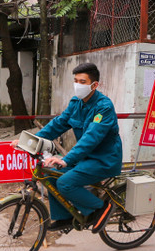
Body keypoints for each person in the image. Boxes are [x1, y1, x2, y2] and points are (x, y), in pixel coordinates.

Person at [17, 62, 123, 233]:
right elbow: (58, 124)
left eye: (82, 82)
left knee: (65, 182)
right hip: (84, 158)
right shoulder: (76, 103)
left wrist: (66, 160)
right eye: (75, 81)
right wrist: (29, 140)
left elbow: (91, 138)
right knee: (50, 175)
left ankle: (101, 208)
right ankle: (64, 216)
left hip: (104, 160)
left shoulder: (104, 107)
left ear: (94, 85)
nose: (77, 85)